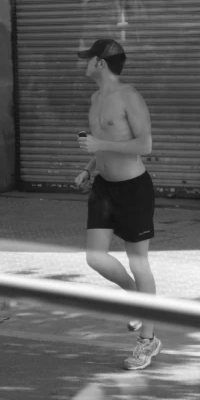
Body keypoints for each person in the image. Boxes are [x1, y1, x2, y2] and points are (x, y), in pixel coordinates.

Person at [74, 38, 161, 370]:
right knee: (95, 257)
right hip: (103, 187)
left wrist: (99, 142)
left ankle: (147, 342)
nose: (84, 63)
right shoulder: (96, 98)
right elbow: (102, 147)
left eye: (88, 58)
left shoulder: (129, 96)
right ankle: (136, 300)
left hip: (134, 189)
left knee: (139, 265)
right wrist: (88, 168)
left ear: (100, 63)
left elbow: (145, 144)